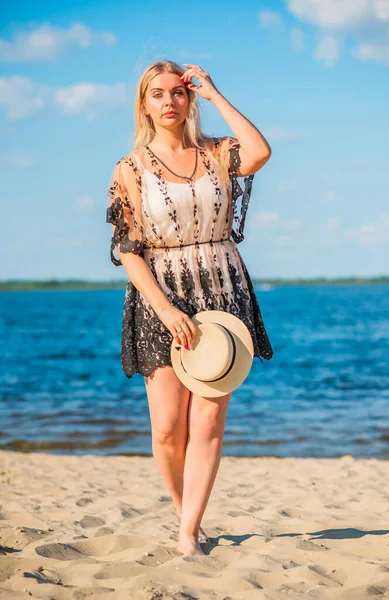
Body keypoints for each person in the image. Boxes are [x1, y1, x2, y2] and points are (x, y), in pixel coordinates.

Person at [106, 60, 274, 556]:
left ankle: (187, 533)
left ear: (189, 98)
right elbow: (128, 250)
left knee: (207, 422)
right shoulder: (130, 168)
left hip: (222, 293)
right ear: (144, 104)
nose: (168, 102)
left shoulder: (217, 153)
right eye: (157, 94)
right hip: (163, 298)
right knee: (166, 430)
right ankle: (187, 515)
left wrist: (216, 92)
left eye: (178, 93)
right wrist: (163, 308)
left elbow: (261, 152)